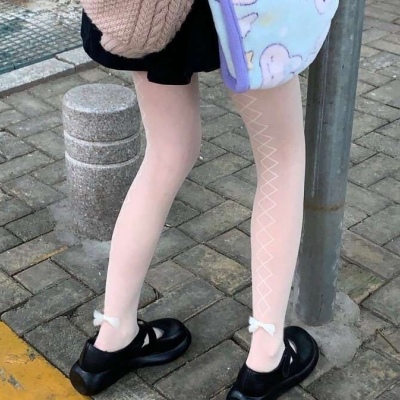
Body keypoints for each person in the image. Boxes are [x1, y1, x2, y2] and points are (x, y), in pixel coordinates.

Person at [69, 0, 320, 398]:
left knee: (166, 153)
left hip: (147, 12)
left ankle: (112, 337)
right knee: (281, 161)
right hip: (242, 15)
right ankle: (266, 357)